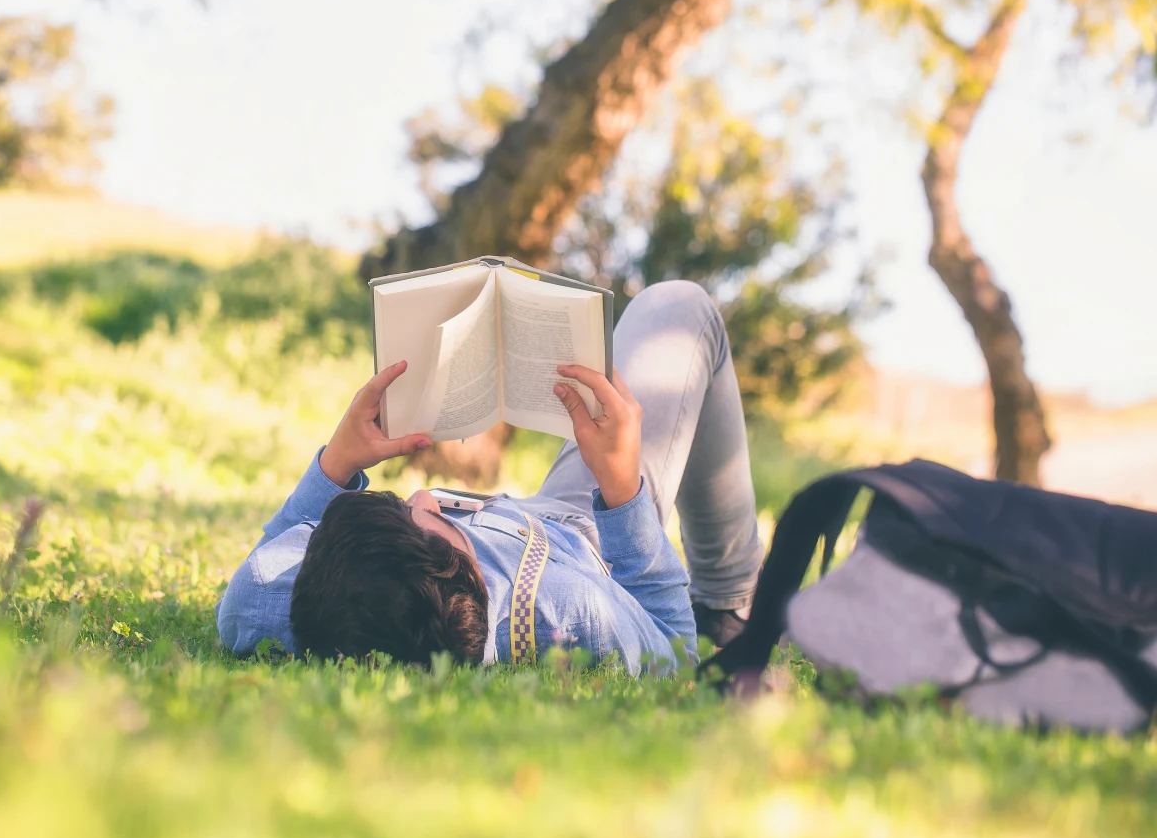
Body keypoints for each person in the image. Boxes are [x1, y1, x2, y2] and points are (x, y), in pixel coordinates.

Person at [215, 280, 764, 674]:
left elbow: (268, 559)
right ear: (471, 571)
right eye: (426, 518)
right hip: (584, 535)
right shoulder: (568, 612)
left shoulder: (267, 601)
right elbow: (673, 647)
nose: (425, 495)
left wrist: (338, 462)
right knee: (680, 307)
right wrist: (621, 489)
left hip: (525, 519)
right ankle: (727, 601)